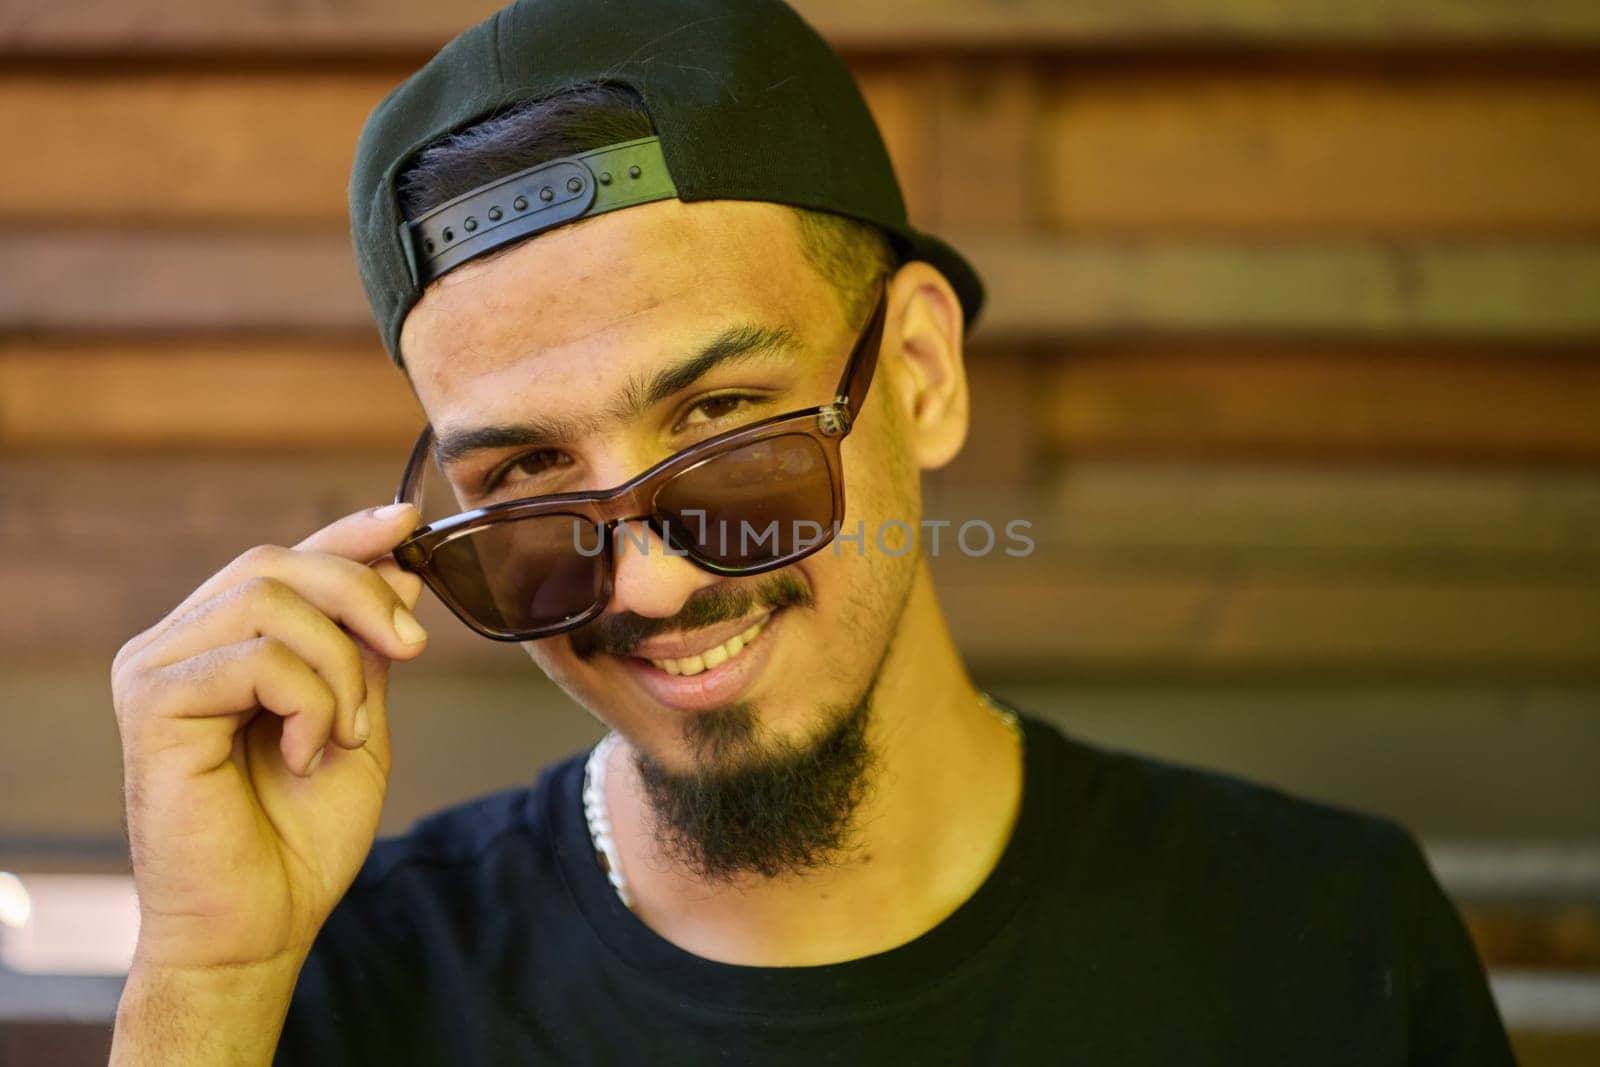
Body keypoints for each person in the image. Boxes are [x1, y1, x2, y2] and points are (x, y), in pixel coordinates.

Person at [108, 1, 1515, 1063]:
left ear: (919, 373)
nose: (647, 582)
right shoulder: (337, 986)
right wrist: (208, 984)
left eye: (729, 433)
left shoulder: (1323, 945)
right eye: (532, 487)